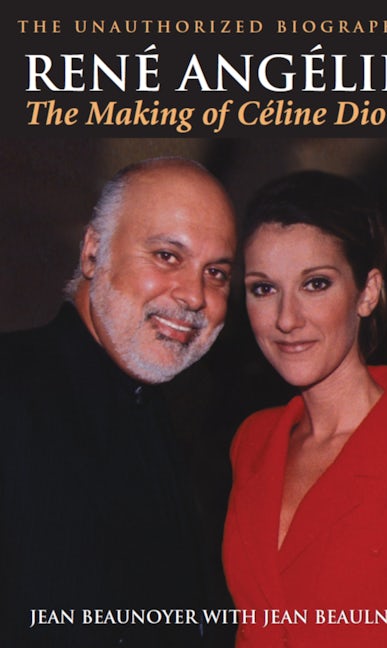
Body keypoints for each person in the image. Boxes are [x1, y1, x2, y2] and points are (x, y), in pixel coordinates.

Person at [0, 156, 237, 647]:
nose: (195, 295)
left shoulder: (157, 413)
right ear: (92, 252)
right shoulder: (13, 388)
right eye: (167, 256)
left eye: (215, 272)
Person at [222, 169, 387, 647]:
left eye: (315, 284)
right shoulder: (252, 442)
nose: (286, 319)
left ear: (367, 293)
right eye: (263, 288)